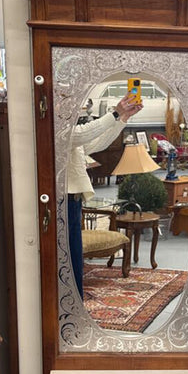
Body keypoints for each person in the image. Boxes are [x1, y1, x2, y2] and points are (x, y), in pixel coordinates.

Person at [68, 95, 143, 297]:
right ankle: (70, 301)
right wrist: (116, 113)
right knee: (69, 254)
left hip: (72, 198)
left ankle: (75, 300)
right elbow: (81, 135)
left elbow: (95, 144)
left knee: (73, 254)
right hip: (63, 199)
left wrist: (123, 118)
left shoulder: (64, 127)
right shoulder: (56, 127)